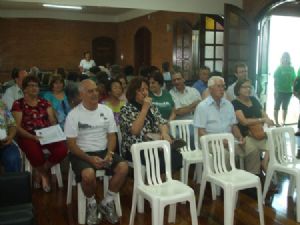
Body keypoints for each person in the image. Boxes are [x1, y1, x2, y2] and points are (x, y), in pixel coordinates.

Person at [64, 79, 128, 225]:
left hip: (104, 151)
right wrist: (89, 158)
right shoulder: (73, 115)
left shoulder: (106, 111)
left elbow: (112, 135)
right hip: (81, 153)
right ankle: (91, 203)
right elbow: (71, 145)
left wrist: (110, 153)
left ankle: (107, 201)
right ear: (81, 94)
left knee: (123, 167)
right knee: (88, 175)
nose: (95, 93)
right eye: (90, 91)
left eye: (96, 90)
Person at [11, 75, 68, 192]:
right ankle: (45, 176)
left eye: (36, 85)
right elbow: (17, 127)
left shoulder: (45, 102)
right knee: (34, 152)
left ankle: (40, 171)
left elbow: (52, 122)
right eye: (31, 85)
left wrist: (54, 131)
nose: (34, 88)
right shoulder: (18, 103)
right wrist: (32, 136)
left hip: (46, 135)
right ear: (24, 89)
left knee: (62, 149)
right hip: (27, 135)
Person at [194, 76, 257, 172]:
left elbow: (234, 126)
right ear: (210, 89)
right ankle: (225, 183)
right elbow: (201, 132)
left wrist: (240, 137)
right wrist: (218, 141)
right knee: (225, 155)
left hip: (229, 140)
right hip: (210, 142)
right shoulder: (202, 106)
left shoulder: (228, 105)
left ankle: (252, 178)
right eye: (218, 86)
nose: (222, 89)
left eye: (223, 86)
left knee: (252, 150)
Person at [120, 77, 182, 173]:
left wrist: (164, 133)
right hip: (136, 147)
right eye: (141, 90)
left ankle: (164, 181)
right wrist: (144, 108)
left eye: (146, 89)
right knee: (160, 159)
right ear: (133, 92)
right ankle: (154, 184)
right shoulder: (126, 109)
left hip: (154, 143)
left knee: (175, 155)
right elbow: (135, 131)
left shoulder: (152, 106)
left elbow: (161, 122)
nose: (145, 93)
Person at [232, 79, 274, 175]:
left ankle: (264, 163)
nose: (248, 89)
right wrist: (261, 120)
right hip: (246, 135)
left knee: (276, 142)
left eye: (249, 87)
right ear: (238, 90)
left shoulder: (254, 100)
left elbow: (264, 115)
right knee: (253, 151)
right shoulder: (235, 103)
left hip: (260, 133)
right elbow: (244, 122)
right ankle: (254, 176)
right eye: (245, 87)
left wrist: (267, 120)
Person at [273, 52, 296, 126]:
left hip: (288, 92)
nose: (286, 59)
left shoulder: (292, 69)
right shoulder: (279, 68)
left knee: (285, 108)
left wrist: (294, 90)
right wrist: (275, 91)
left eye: (287, 57)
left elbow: (294, 80)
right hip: (279, 91)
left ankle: (283, 122)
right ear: (282, 59)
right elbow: (275, 80)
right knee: (277, 107)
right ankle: (276, 122)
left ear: (289, 59)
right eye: (284, 57)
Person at [0, 99, 21, 172]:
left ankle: (13, 183)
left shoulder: (1, 104)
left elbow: (12, 125)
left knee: (13, 158)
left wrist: (11, 136)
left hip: (5, 144)